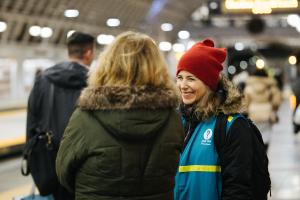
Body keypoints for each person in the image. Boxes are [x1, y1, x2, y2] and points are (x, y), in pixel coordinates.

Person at [56, 31, 185, 200]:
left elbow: (63, 173)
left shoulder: (85, 117)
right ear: (157, 67)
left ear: (108, 65)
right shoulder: (173, 119)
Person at [174, 39, 255, 199]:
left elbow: (238, 188)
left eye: (191, 79)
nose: (183, 85)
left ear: (209, 83)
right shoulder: (178, 122)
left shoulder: (232, 126)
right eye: (180, 77)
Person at [26, 32, 95, 200]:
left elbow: (32, 124)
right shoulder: (95, 82)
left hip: (50, 164)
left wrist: (33, 162)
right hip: (87, 167)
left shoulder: (43, 80)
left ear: (69, 52)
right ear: (88, 53)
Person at [244, 68, 282, 150]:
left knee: (254, 136)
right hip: (267, 115)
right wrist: (274, 108)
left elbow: (245, 103)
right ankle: (264, 153)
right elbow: (276, 101)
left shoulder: (249, 87)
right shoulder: (271, 87)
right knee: (266, 137)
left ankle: (256, 156)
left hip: (253, 114)